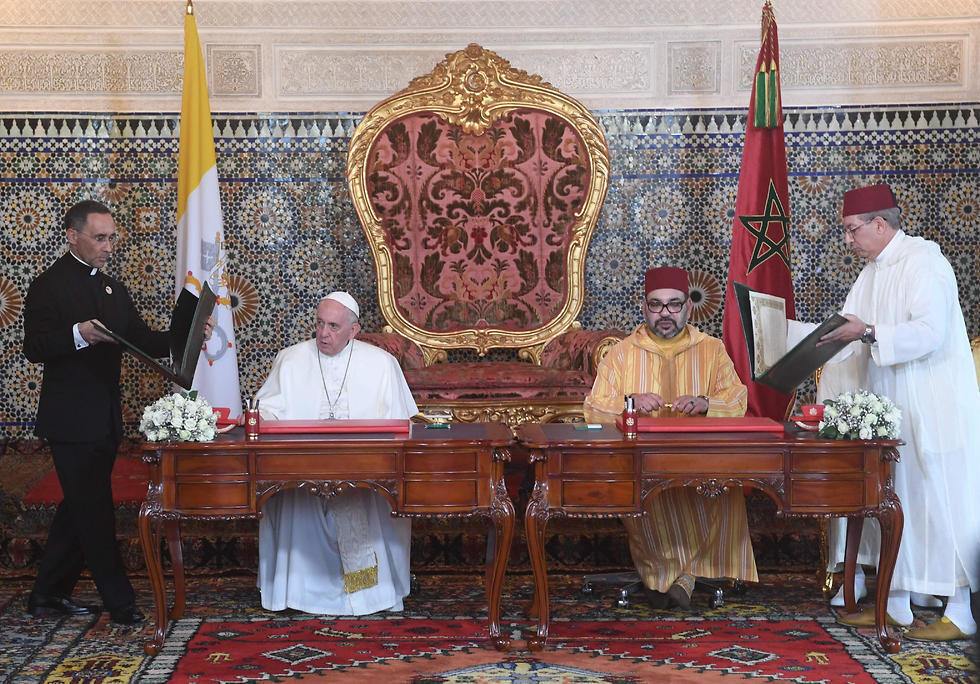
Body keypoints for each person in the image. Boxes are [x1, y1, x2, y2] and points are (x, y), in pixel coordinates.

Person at [794, 183, 980, 641]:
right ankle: (894, 604)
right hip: (893, 410)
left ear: (881, 223)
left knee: (939, 504)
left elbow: (929, 333)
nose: (848, 240)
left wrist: (870, 331)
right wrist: (793, 347)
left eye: (852, 230)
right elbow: (847, 333)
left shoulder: (925, 263)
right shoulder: (873, 272)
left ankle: (961, 613)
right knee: (899, 504)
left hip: (932, 407)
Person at [22, 200, 187, 625]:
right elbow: (34, 347)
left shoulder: (114, 289)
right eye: (99, 238)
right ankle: (121, 602)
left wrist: (186, 334)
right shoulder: (48, 286)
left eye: (111, 237)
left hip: (106, 420)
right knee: (94, 509)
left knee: (78, 507)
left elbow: (141, 339)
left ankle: (47, 594)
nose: (108, 246)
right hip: (70, 422)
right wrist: (79, 334)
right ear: (72, 236)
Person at [583, 266, 757, 608]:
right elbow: (593, 408)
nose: (665, 314)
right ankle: (681, 578)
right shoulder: (621, 353)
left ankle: (676, 580)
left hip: (701, 459)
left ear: (688, 308)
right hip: (641, 460)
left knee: (717, 487)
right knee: (648, 492)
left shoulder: (711, 349)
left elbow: (737, 400)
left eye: (674, 305)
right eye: (656, 305)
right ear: (644, 307)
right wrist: (630, 402)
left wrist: (706, 404)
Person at [254, 291, 418, 615]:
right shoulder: (291, 359)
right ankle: (300, 594)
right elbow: (265, 412)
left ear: (354, 331)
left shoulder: (381, 364)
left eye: (333, 326)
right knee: (293, 499)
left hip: (363, 469)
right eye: (319, 324)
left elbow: (401, 424)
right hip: (301, 468)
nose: (323, 334)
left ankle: (368, 593)